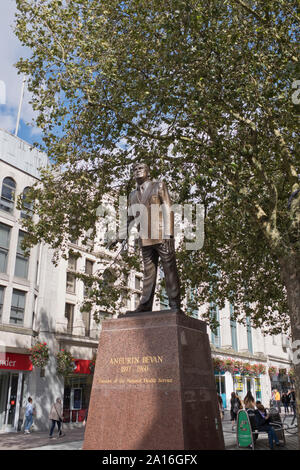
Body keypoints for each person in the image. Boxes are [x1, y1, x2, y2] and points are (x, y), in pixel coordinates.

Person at [112, 162, 181, 313]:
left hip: (162, 236)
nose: (137, 171)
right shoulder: (132, 195)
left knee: (170, 270)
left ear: (148, 172)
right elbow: (129, 218)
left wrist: (169, 234)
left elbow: (168, 208)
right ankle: (145, 305)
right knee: (148, 273)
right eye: (134, 169)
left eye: (140, 168)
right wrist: (118, 237)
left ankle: (175, 305)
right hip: (145, 238)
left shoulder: (159, 186)